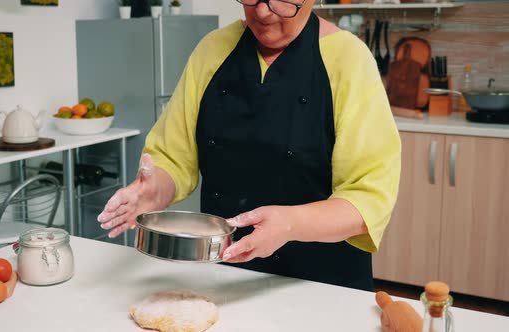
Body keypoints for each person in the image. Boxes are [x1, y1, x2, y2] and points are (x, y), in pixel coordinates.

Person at [97, 0, 401, 291]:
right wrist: (153, 192)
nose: (263, 12)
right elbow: (173, 157)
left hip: (322, 284)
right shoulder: (213, 50)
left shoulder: (349, 58)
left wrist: (291, 224)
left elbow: (368, 199)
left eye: (281, 0)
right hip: (225, 276)